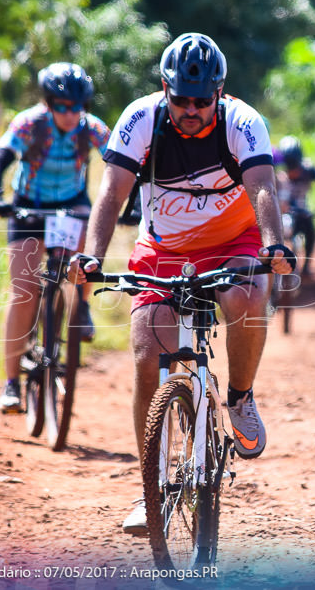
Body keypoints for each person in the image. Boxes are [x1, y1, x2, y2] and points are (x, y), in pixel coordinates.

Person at [65, 32, 294, 536]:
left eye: (201, 100)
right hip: (164, 248)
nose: (191, 110)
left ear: (220, 92)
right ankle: (151, 487)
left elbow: (261, 186)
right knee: (148, 353)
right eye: (180, 100)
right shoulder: (140, 119)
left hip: (235, 239)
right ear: (164, 90)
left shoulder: (242, 122)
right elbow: (111, 193)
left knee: (246, 293)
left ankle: (240, 396)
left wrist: (274, 243)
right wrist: (92, 255)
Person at [0, 62, 110, 414]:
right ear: (48, 103)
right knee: (24, 290)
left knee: (85, 257)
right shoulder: (29, 124)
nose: (70, 114)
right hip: (30, 208)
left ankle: (80, 305)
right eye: (62, 106)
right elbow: (0, 156)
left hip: (72, 206)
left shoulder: (91, 128)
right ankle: (11, 383)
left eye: (77, 107)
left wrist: (130, 203)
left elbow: (120, 162)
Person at [275, 135, 315, 277]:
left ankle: (306, 266)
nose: (292, 171)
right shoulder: (276, 172)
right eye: (288, 165)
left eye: (294, 165)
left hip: (303, 212)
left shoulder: (309, 170)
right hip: (283, 212)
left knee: (311, 232)